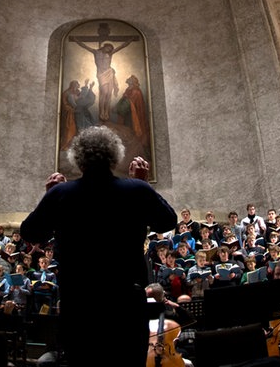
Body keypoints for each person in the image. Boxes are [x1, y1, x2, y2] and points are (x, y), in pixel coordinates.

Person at [21, 126, 176, 366]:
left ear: (78, 160)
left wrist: (50, 198)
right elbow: (167, 220)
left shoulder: (61, 193)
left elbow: (30, 232)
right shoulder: (136, 189)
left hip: (79, 305)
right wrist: (141, 186)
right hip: (125, 304)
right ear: (115, 157)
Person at [73, 39, 134, 121]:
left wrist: (129, 41)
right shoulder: (96, 52)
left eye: (110, 49)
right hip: (101, 74)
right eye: (108, 48)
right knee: (104, 93)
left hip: (109, 73)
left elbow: (121, 47)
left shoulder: (110, 54)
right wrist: (76, 40)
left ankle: (106, 112)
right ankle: (101, 111)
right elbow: (84, 46)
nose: (109, 50)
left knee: (109, 94)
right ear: (104, 46)